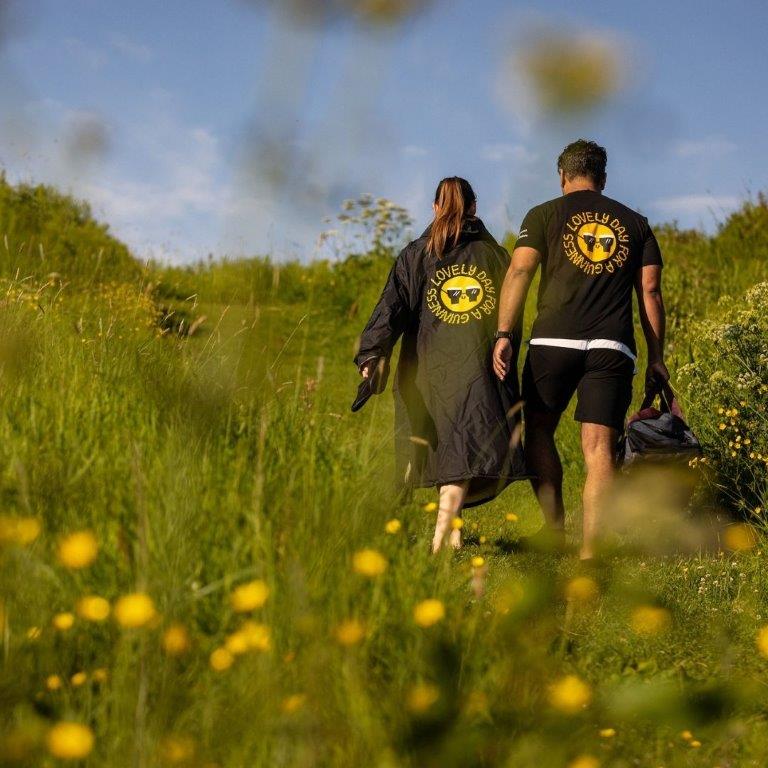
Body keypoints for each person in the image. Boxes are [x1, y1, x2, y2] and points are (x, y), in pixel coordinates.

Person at [492, 140, 668, 559]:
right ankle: (591, 555)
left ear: (562, 175)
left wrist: (503, 333)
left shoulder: (543, 214)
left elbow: (519, 269)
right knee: (599, 449)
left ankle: (554, 532)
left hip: (553, 341)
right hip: (613, 346)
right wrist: (657, 357)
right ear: (602, 178)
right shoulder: (636, 223)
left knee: (536, 431)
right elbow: (651, 290)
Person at [355, 177, 527, 553]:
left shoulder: (415, 254)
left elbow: (391, 308)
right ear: (475, 208)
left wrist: (372, 352)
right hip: (477, 365)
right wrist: (507, 345)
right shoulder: (496, 256)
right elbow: (511, 314)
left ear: (435, 207)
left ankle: (442, 539)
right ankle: (447, 537)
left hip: (428, 367)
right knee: (459, 448)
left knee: (450, 449)